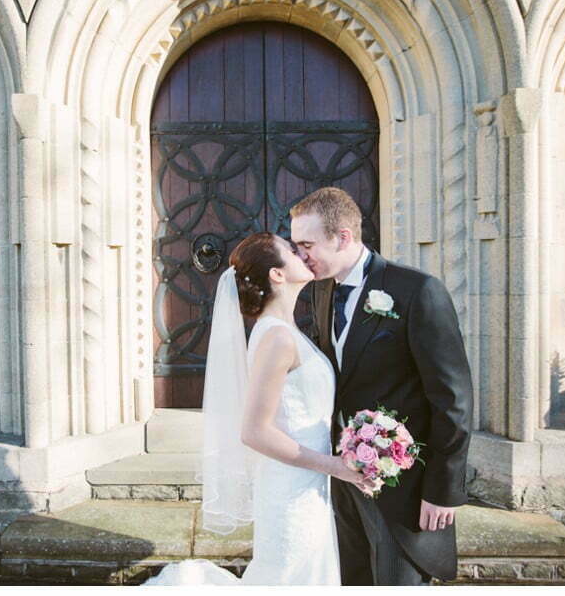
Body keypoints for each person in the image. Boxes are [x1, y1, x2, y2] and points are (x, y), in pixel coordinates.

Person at [143, 232, 372, 586]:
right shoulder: (276, 337)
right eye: (293, 251)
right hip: (290, 490)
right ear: (277, 274)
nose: (304, 255)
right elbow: (254, 431)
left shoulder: (285, 331)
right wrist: (334, 466)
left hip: (308, 484)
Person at [290, 186, 473, 586]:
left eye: (307, 245)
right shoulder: (322, 290)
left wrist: (443, 490)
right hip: (343, 480)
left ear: (343, 237)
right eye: (296, 246)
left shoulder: (417, 291)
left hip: (403, 488)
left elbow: (453, 399)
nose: (300, 257)